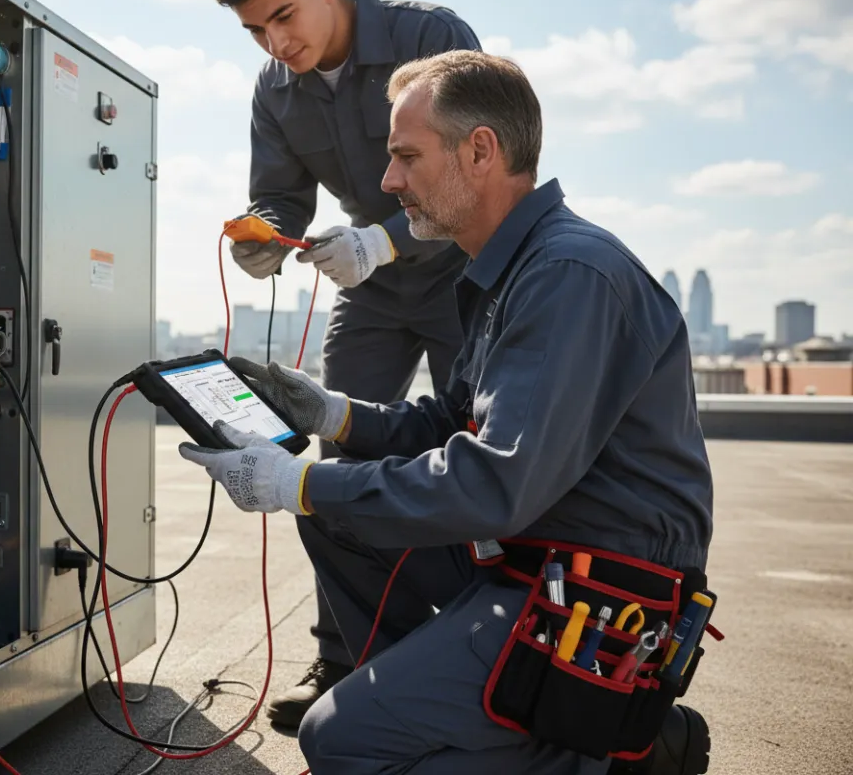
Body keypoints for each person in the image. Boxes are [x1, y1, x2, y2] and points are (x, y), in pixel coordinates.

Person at [179, 50, 715, 775]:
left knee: (339, 743)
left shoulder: (566, 275)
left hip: (599, 592)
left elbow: (492, 484)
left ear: (481, 151)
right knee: (336, 519)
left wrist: (293, 481)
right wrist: (335, 414)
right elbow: (454, 423)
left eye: (405, 156)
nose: (387, 181)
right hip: (537, 552)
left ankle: (613, 750)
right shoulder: (509, 267)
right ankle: (451, 710)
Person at [212, 0, 482, 727]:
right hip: (372, 284)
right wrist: (264, 233)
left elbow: (472, 172)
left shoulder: (430, 38)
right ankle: (349, 663)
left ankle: (491, 646)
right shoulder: (275, 86)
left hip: (465, 270)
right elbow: (283, 197)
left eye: (285, 16)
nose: (276, 43)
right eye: (256, 31)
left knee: (478, 449)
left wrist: (385, 240)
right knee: (338, 465)